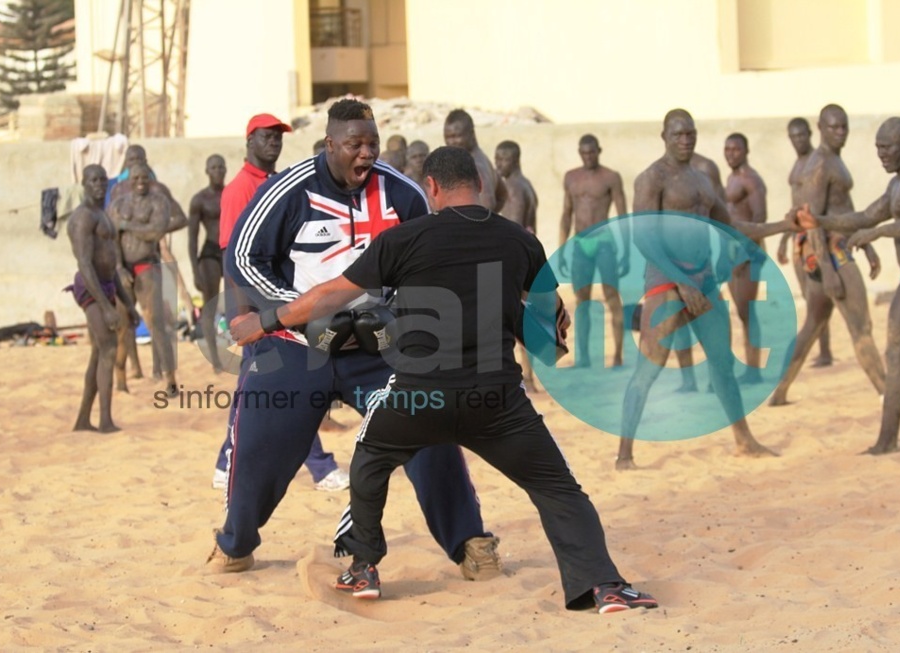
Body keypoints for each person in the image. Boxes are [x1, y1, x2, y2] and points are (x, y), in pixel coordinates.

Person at [229, 145, 660, 614]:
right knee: (559, 489)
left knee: (369, 460)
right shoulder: (520, 241)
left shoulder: (404, 239)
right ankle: (604, 586)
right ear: (479, 182)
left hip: (420, 399)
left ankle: (364, 568)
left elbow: (330, 295)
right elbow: (549, 334)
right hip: (498, 402)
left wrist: (266, 321)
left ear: (431, 187)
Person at [206, 100, 501, 581]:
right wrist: (300, 313)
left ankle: (469, 540)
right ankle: (235, 543)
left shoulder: (402, 194)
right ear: (329, 145)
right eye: (353, 145)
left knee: (430, 426)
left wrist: (399, 312)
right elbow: (242, 259)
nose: (365, 154)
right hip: (295, 346)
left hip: (376, 348)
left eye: (372, 143)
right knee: (260, 444)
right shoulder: (288, 191)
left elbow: (431, 260)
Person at [616, 109, 795, 470]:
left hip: (705, 280)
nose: (686, 139)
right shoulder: (652, 178)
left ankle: (744, 439)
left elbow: (732, 226)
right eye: (678, 134)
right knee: (648, 370)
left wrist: (781, 225)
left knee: (723, 364)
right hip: (667, 281)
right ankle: (624, 455)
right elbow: (644, 238)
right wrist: (680, 283)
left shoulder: (703, 180)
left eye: (691, 133)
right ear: (663, 135)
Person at [797, 117, 900, 454]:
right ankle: (887, 439)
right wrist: (821, 221)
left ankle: (887, 441)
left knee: (897, 350)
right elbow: (866, 216)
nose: (880, 155)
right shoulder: (897, 185)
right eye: (877, 148)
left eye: (886, 148)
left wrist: (880, 233)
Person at [211, 113, 348, 493]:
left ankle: (226, 461)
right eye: (266, 136)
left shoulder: (277, 182)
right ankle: (320, 467)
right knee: (295, 380)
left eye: (278, 137)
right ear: (249, 141)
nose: (274, 142)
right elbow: (231, 254)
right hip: (257, 306)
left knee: (253, 384)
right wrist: (239, 313)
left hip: (280, 300)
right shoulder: (240, 188)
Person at [768, 104, 886, 406]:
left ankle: (780, 391)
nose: (840, 133)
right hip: (830, 254)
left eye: (844, 127)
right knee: (861, 326)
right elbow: (812, 219)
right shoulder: (821, 164)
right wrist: (828, 269)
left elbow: (843, 208)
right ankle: (888, 394)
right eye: (834, 127)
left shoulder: (833, 160)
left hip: (837, 248)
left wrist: (867, 243)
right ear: (820, 127)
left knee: (813, 324)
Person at [65, 164, 138, 432]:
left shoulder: (102, 215)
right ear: (83, 183)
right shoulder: (83, 217)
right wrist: (107, 307)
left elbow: (112, 267)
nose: (99, 184)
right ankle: (105, 420)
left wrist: (127, 304)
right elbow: (85, 263)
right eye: (93, 180)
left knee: (99, 351)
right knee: (108, 347)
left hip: (105, 284)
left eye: (102, 179)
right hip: (90, 287)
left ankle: (84, 419)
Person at [108, 162, 178, 397]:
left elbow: (155, 232)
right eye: (135, 178)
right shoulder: (118, 204)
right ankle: (121, 380)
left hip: (148, 267)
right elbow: (112, 238)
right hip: (124, 270)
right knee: (123, 324)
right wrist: (118, 267)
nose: (140, 181)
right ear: (129, 180)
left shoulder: (158, 202)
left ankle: (170, 379)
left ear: (149, 179)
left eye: (144, 178)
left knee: (156, 323)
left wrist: (127, 225)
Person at [559, 134, 629, 368]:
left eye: (592, 152)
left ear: (599, 150)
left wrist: (626, 251)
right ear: (580, 152)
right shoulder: (571, 177)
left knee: (612, 297)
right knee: (582, 301)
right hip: (580, 243)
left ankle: (618, 355)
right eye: (584, 153)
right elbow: (566, 214)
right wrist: (562, 249)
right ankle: (584, 357)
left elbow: (622, 215)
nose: (588, 157)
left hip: (604, 242)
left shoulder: (610, 177)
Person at [776, 117, 834, 367]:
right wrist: (784, 239)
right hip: (798, 236)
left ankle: (825, 350)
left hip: (813, 235)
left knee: (817, 295)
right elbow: (794, 206)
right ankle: (821, 349)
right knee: (808, 293)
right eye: (794, 136)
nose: (798, 140)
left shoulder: (816, 163)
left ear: (810, 134)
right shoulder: (797, 164)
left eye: (802, 135)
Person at [724, 132, 768, 384]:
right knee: (741, 312)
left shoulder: (751, 180)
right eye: (727, 149)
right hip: (732, 254)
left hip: (748, 254)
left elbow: (759, 218)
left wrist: (745, 251)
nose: (731, 154)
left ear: (746, 151)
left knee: (747, 311)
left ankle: (754, 370)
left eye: (736, 150)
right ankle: (750, 366)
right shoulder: (730, 179)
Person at [495, 139, 540, 390]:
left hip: (515, 263)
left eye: (503, 159)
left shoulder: (514, 188)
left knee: (513, 321)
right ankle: (529, 378)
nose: (498, 164)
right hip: (528, 260)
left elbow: (512, 232)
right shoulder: (527, 185)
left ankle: (527, 379)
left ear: (516, 160)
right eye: (496, 158)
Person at [187, 154, 227, 373]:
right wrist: (194, 271)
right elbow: (192, 239)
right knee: (209, 306)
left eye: (221, 167)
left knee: (240, 303)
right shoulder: (199, 200)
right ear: (207, 171)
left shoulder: (231, 193)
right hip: (210, 252)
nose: (218, 171)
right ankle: (216, 360)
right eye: (213, 167)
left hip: (229, 250)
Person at [443, 108, 506, 210]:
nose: (451, 142)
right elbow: (502, 195)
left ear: (471, 133)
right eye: (448, 137)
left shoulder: (475, 166)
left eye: (457, 136)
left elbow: (488, 204)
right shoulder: (482, 159)